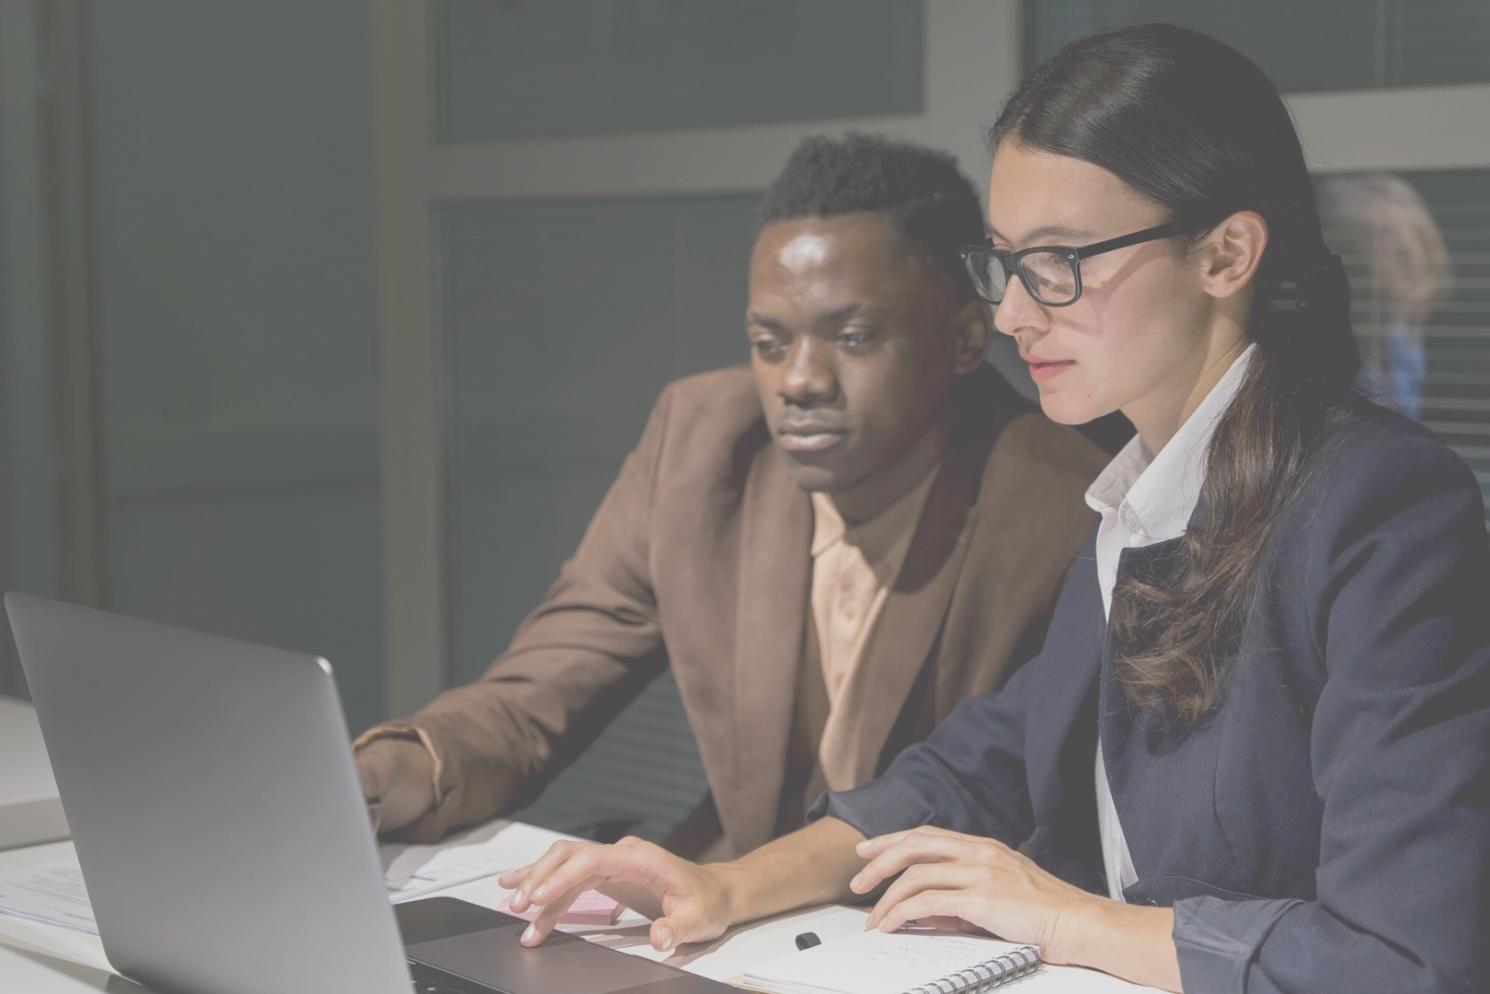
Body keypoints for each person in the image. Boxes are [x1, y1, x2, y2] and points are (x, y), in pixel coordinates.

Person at [501, 25, 1490, 994]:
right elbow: (979, 764)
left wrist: (1064, 917)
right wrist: (722, 883)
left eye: (1059, 260)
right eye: (1005, 262)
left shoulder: (1380, 511)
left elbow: (1402, 957)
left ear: (1225, 254)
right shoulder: (1138, 501)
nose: (1015, 313)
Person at [355, 134, 1111, 861]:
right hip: (722, 912)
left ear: (966, 340)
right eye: (770, 343)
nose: (798, 381)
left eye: (850, 337)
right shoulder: (699, 444)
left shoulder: (1064, 504)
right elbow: (538, 692)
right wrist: (399, 769)